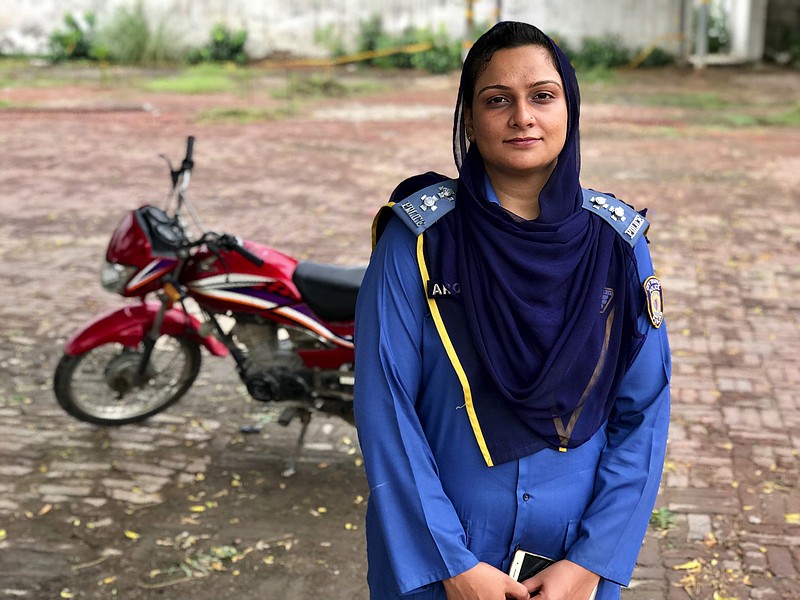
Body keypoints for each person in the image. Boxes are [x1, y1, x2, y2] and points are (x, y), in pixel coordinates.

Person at [353, 21, 670, 600]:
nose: (522, 116)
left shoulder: (617, 244)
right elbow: (386, 409)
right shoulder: (419, 242)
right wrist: (452, 563)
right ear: (469, 119)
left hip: (572, 561)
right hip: (442, 557)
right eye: (497, 100)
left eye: (542, 97)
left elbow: (643, 412)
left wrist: (593, 560)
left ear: (568, 109)